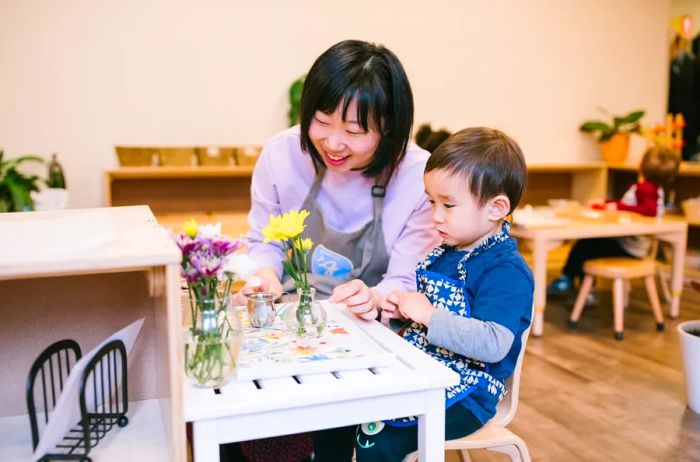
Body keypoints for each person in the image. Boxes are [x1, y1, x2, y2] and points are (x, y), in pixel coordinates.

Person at [230, 39, 438, 462]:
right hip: (285, 324)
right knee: (243, 419)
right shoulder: (281, 154)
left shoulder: (419, 175)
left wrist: (375, 297)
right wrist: (263, 277)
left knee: (332, 436)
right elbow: (264, 241)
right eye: (322, 122)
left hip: (370, 336)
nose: (334, 143)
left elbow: (403, 281)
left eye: (355, 131)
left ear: (390, 129)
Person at [352, 127, 534, 462]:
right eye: (432, 202)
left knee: (378, 441)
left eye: (448, 205)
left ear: (495, 208)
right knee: (351, 408)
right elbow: (430, 317)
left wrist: (428, 315)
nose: (436, 215)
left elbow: (493, 344)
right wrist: (404, 313)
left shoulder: (506, 271)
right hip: (429, 370)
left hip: (470, 395)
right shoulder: (448, 250)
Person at [547, 145, 681, 296]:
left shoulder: (644, 188)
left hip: (628, 247)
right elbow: (637, 207)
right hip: (636, 247)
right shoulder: (657, 190)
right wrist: (611, 205)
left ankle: (570, 280)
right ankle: (580, 284)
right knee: (589, 245)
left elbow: (649, 210)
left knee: (585, 246)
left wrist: (614, 206)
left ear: (640, 165)